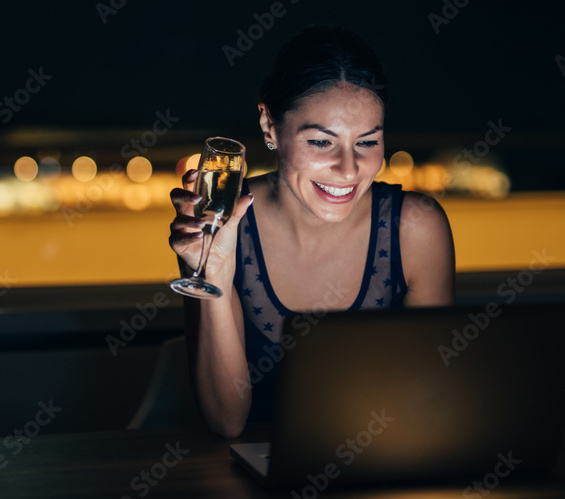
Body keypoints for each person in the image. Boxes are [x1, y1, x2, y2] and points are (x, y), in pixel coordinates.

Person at [168, 25, 456, 438]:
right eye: (321, 143)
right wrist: (213, 269)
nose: (349, 169)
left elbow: (434, 403)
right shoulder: (222, 219)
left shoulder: (416, 228)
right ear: (269, 125)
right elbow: (226, 422)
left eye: (367, 142)